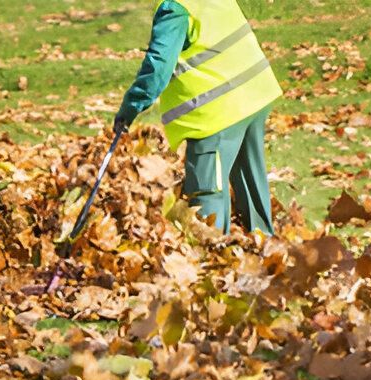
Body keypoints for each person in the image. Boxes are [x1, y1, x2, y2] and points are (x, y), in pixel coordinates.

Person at [115, 0, 282, 234]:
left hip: (216, 111)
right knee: (250, 179)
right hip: (253, 93)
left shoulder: (175, 9)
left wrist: (129, 109)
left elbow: (158, 70)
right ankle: (266, 244)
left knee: (207, 193)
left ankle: (211, 256)